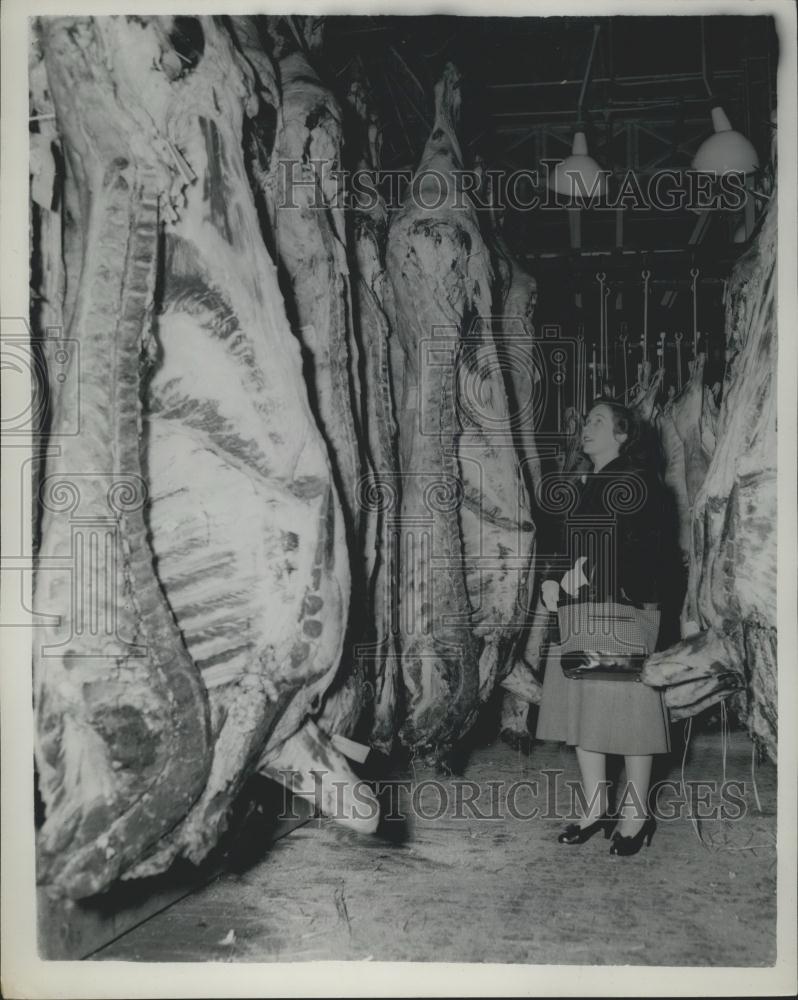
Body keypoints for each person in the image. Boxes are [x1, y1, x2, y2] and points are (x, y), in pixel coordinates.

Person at [535, 399, 671, 857]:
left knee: (633, 715)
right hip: (581, 607)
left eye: (597, 420)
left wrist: (589, 572)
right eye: (585, 419)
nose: (585, 426)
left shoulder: (638, 479)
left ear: (622, 435)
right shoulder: (584, 483)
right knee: (582, 711)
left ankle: (636, 815)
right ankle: (597, 809)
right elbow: (564, 541)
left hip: (623, 608)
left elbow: (642, 547)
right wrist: (553, 578)